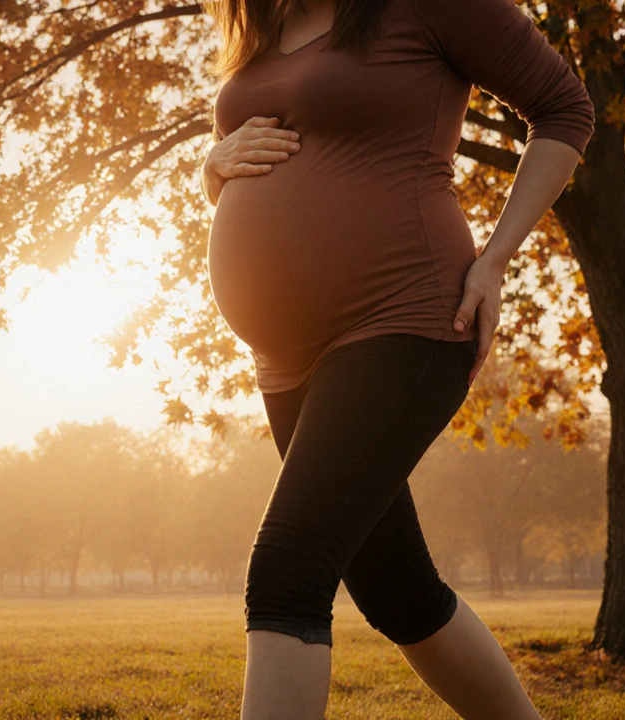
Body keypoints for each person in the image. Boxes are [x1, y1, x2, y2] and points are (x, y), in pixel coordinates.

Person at [198, 0, 594, 716]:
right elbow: (252, 164)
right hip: (285, 355)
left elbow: (565, 110)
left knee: (289, 570)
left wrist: (495, 260)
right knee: (397, 591)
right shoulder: (262, 27)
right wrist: (213, 168)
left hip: (405, 315)